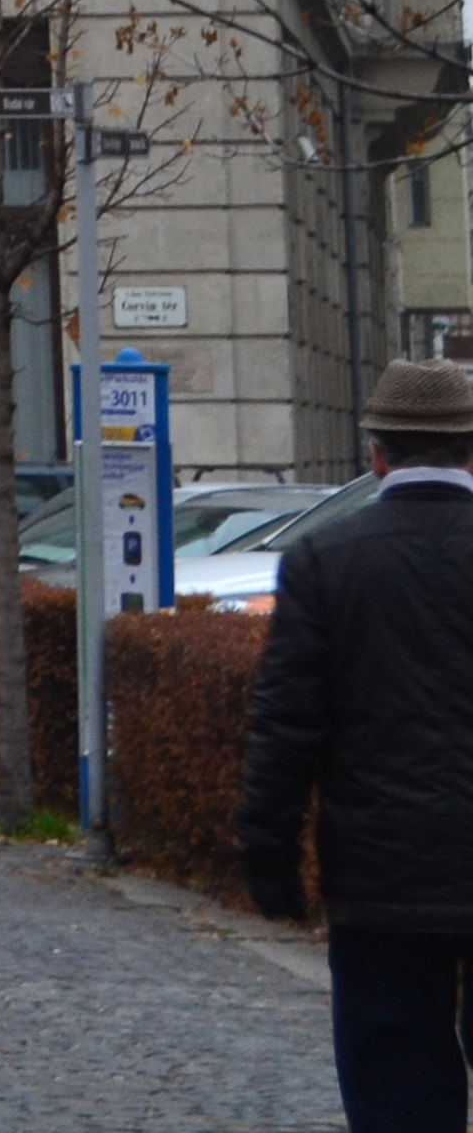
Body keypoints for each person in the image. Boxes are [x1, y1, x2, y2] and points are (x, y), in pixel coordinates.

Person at [239, 355, 473, 1132]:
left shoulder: (324, 559)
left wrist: (269, 857)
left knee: (396, 1075)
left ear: (376, 453)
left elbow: (287, 724)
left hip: (382, 871)